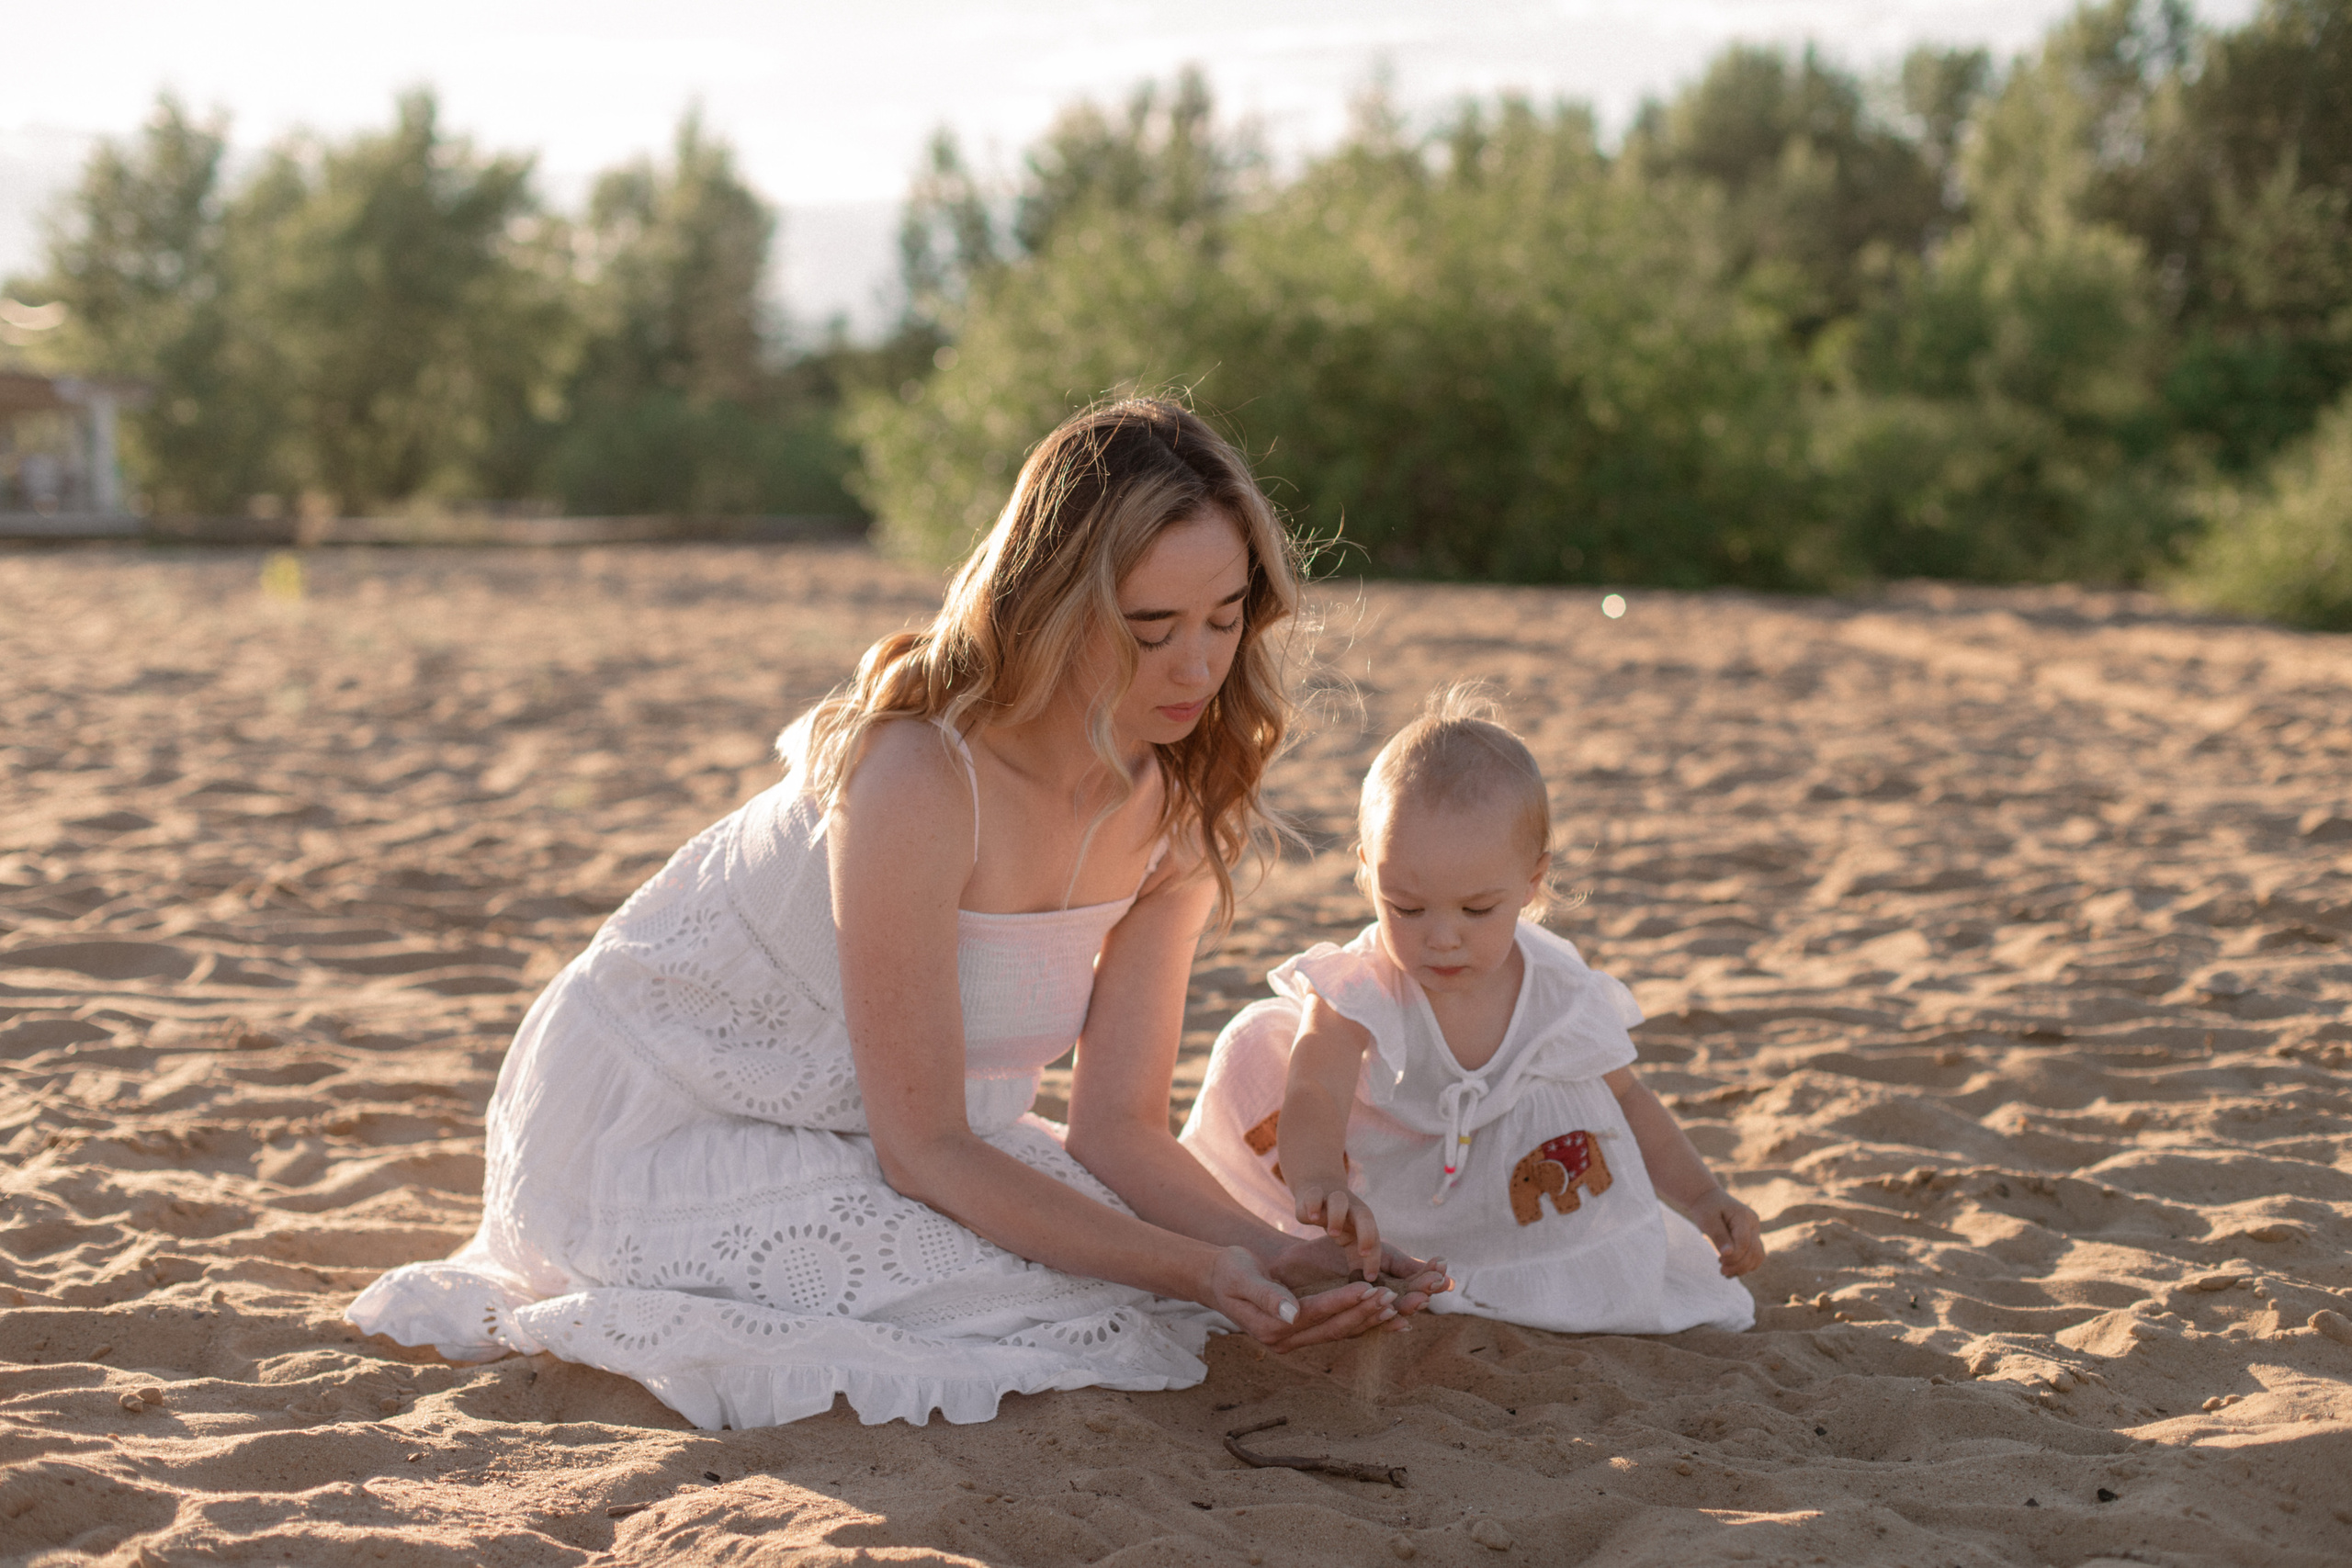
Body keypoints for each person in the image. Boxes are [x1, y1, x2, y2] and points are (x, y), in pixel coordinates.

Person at [348, 400, 1448, 1429]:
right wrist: (1197, 1268)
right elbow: (921, 1147)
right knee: (1073, 1304)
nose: (1199, 665)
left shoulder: (1177, 806)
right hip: (665, 1116)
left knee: (1149, 1294)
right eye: (1150, 626)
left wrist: (1272, 1249)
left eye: (1226, 614)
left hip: (905, 1135)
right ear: (1052, 607)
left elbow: (1116, 1128)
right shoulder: (923, 770)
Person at [1180, 688, 1763, 1336]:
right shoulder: (1361, 983)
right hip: (1386, 1184)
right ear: (1370, 874)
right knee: (1259, 1041)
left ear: (1532, 881)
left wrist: (1706, 1197)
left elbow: (1630, 1101)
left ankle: (1506, 1275)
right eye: (1407, 906)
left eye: (1477, 909)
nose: (1442, 936)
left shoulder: (1556, 988)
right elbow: (1315, 1082)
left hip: (1500, 1198)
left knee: (1584, 1104)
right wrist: (1320, 1177)